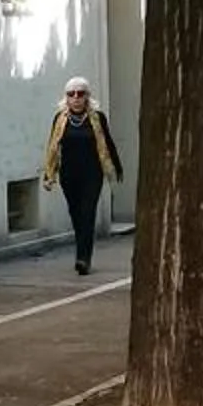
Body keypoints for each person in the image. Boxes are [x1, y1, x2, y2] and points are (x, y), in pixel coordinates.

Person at [43, 78, 125, 275]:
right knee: (76, 214)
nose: (76, 98)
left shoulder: (97, 118)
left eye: (80, 93)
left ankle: (83, 259)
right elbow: (52, 147)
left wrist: (116, 166)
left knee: (88, 213)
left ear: (87, 96)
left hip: (92, 173)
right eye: (71, 94)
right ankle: (82, 251)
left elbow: (107, 141)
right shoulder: (60, 119)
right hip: (69, 174)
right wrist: (49, 173)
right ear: (66, 97)